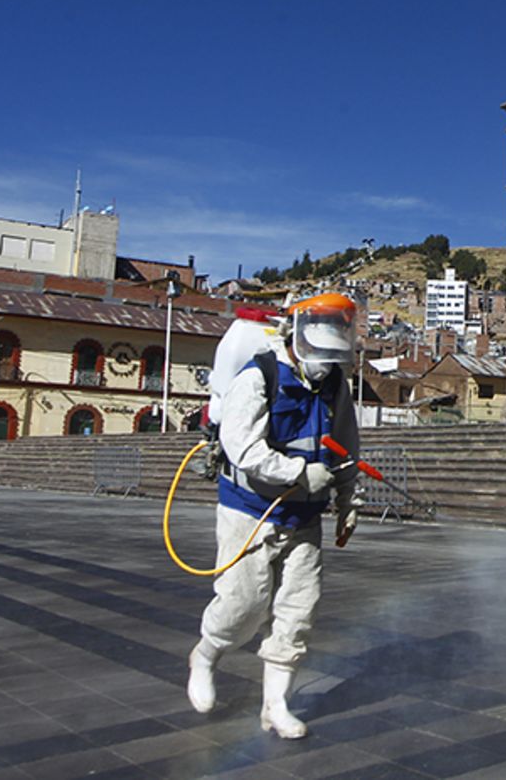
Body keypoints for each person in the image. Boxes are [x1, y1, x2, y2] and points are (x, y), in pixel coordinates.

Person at [186, 292, 362, 739]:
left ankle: (275, 705)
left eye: (332, 355)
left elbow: (347, 448)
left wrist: (346, 502)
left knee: (298, 610)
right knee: (243, 604)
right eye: (318, 355)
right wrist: (301, 473)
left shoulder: (335, 386)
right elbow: (243, 448)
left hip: (304, 517)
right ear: (295, 338)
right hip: (250, 510)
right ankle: (206, 655)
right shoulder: (259, 376)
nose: (324, 364)